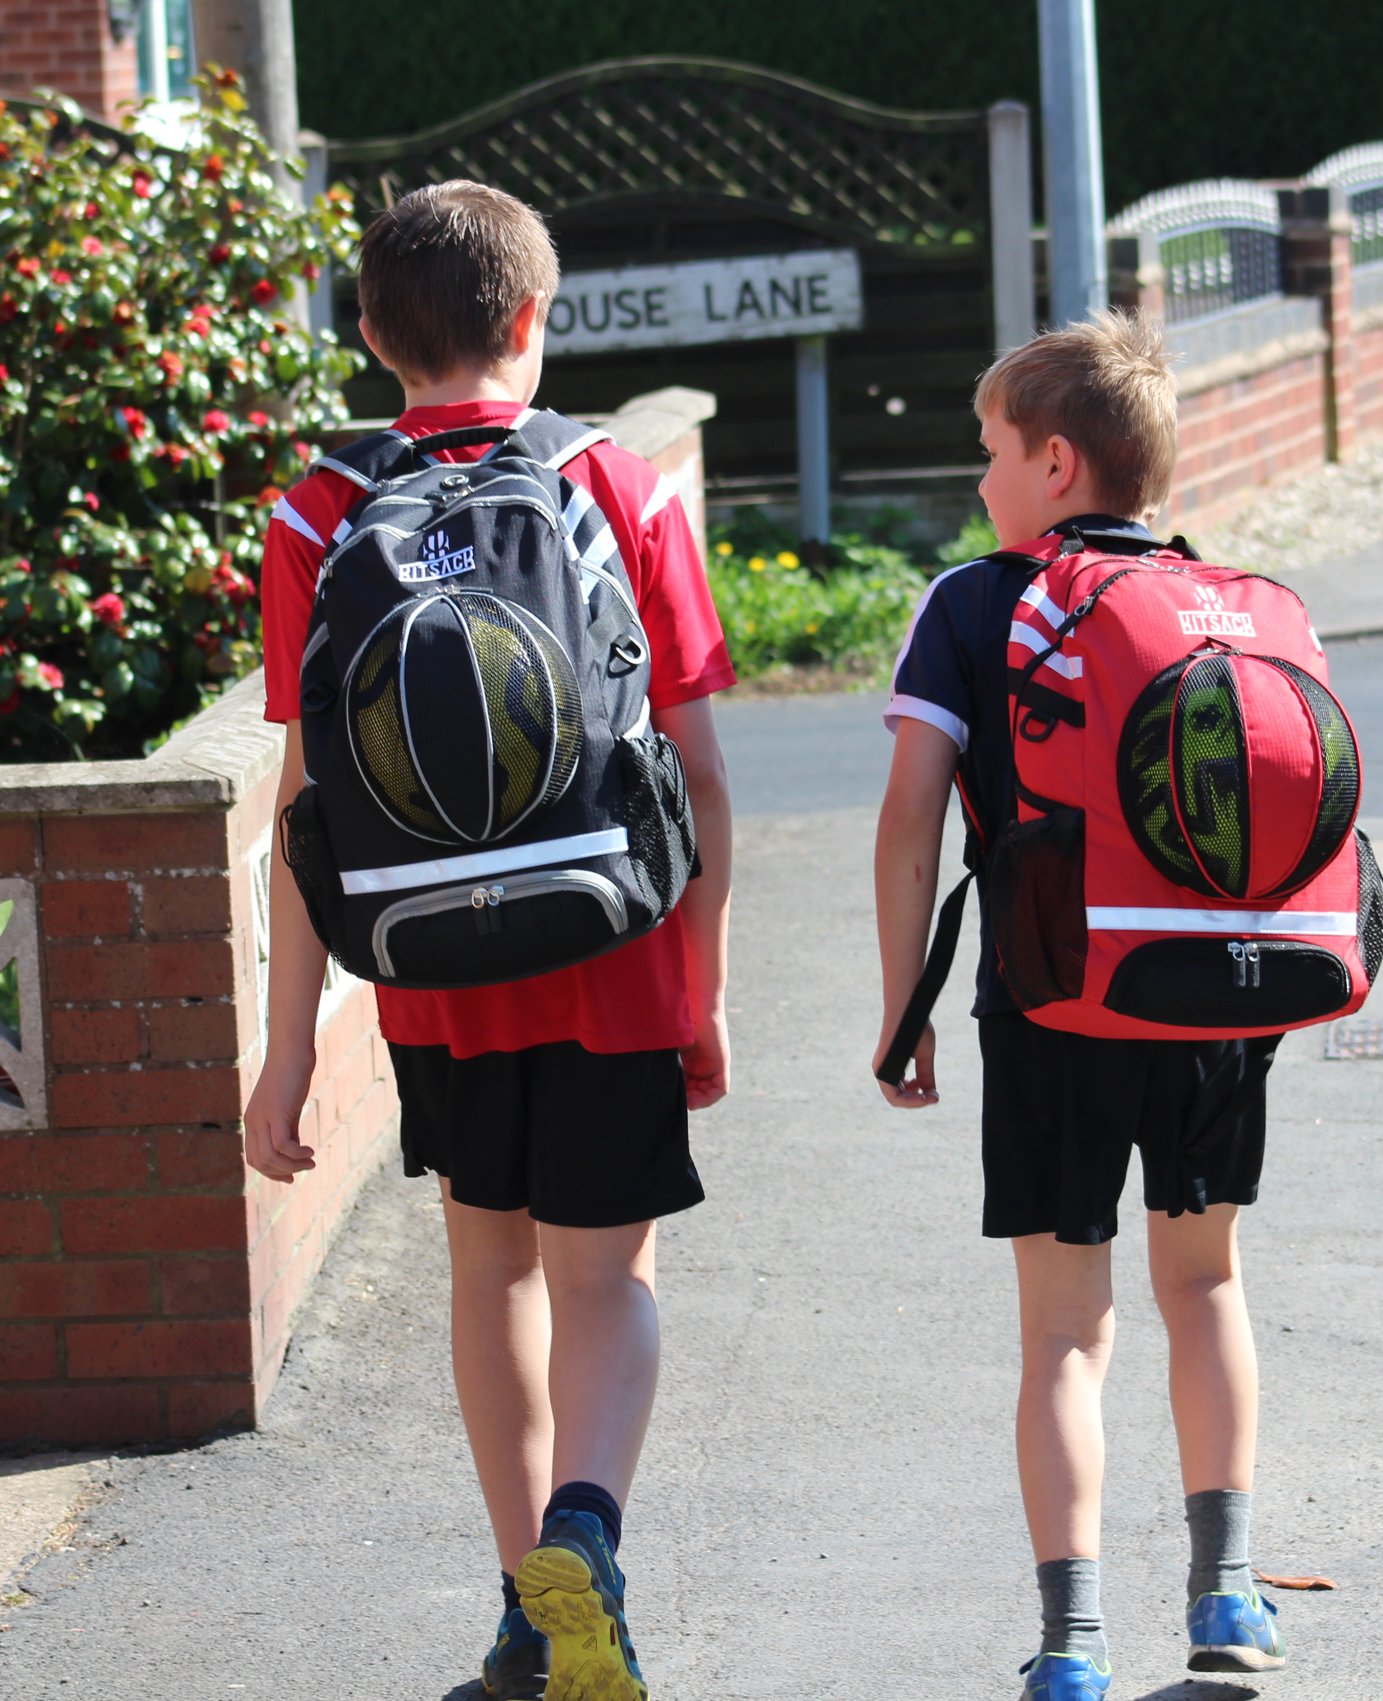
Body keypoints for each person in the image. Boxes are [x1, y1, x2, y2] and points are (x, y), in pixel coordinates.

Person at [244, 180, 734, 1701]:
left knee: (492, 1275)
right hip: (616, 949)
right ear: (534, 318)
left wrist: (281, 1061)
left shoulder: (315, 515)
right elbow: (700, 777)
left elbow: (302, 810)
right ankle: (583, 1532)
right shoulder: (618, 485)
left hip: (436, 979)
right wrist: (701, 995)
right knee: (607, 1276)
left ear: (376, 340)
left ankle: (529, 1614)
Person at [872, 309, 1288, 1698]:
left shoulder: (970, 605)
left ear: (1055, 463)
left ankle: (1072, 1641)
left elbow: (906, 831)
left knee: (1063, 1330)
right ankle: (1226, 1592)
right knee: (1206, 1280)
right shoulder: (1225, 598)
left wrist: (902, 1007)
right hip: (1215, 993)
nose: (977, 479)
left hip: (1048, 1005)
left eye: (990, 452)